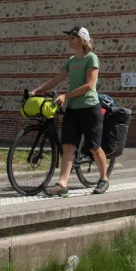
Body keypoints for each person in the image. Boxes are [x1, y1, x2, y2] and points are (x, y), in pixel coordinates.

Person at [31, 26, 109, 195]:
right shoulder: (72, 61)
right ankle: (62, 184)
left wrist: (66, 96)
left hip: (89, 108)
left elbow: (89, 86)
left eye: (72, 38)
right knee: (67, 147)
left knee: (94, 147)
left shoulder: (91, 58)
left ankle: (103, 179)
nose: (69, 41)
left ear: (81, 40)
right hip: (73, 109)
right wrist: (39, 90)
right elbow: (57, 78)